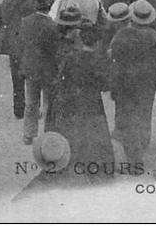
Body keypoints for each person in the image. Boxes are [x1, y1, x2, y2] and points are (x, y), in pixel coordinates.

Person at [45, 24, 115, 184]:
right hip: (91, 103)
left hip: (72, 101)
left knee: (74, 132)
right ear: (97, 42)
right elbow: (105, 85)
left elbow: (61, 78)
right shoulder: (98, 60)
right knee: (94, 135)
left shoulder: (71, 57)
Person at [108, 1, 156, 166]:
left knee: (128, 115)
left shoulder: (119, 37)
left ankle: (133, 152)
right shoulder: (152, 35)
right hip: (147, 78)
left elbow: (114, 59)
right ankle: (144, 139)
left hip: (126, 81)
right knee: (145, 109)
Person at [0, 0, 42, 119]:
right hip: (32, 45)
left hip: (14, 44)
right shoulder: (36, 4)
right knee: (34, 79)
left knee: (17, 79)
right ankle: (34, 110)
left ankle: (18, 109)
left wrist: (3, 30)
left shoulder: (9, 2)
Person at [19, 0, 60, 145]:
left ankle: (28, 133)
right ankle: (48, 132)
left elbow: (21, 43)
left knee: (31, 101)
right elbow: (55, 49)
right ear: (49, 7)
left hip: (30, 67)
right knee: (48, 102)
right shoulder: (52, 25)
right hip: (48, 68)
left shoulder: (25, 21)